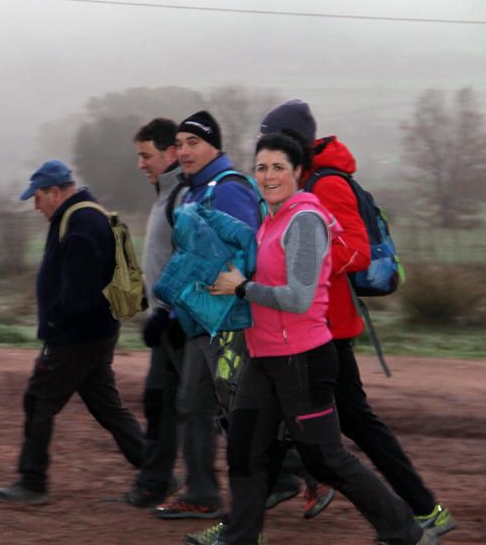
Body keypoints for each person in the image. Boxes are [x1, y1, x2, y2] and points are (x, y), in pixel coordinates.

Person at [188, 132, 435, 545]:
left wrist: (243, 288)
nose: (268, 176)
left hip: (302, 361)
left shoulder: (305, 220)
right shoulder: (270, 220)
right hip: (263, 358)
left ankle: (405, 531)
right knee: (244, 447)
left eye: (278, 167)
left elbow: (299, 298)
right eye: (262, 167)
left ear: (298, 172)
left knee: (327, 459)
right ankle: (240, 536)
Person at [259, 99, 455, 535]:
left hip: (326, 327)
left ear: (296, 140)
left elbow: (358, 251)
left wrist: (305, 258)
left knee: (348, 424)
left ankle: (421, 512)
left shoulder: (327, 185)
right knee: (278, 421)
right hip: (306, 326)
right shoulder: (301, 181)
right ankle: (250, 516)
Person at [0, 160, 144, 505]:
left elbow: (80, 290)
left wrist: (56, 322)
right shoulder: (77, 216)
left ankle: (32, 482)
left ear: (56, 192)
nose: (35, 205)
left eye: (38, 197)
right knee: (107, 406)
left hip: (77, 336)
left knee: (39, 399)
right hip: (94, 332)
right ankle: (153, 468)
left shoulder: (80, 221)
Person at [155, 111, 262, 520]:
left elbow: (248, 249)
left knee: (232, 411)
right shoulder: (194, 191)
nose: (183, 151)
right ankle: (203, 490)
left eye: (193, 143)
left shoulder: (226, 189)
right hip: (201, 320)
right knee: (196, 406)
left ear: (214, 146)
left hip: (227, 322)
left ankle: (299, 470)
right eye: (179, 144)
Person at [123, 118, 185, 508]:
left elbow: (191, 258)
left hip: (185, 323)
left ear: (170, 152)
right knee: (160, 399)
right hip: (167, 320)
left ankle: (297, 471)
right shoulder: (165, 193)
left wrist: (169, 312)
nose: (141, 164)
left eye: (146, 156)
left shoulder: (183, 196)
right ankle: (155, 481)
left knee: (218, 410)